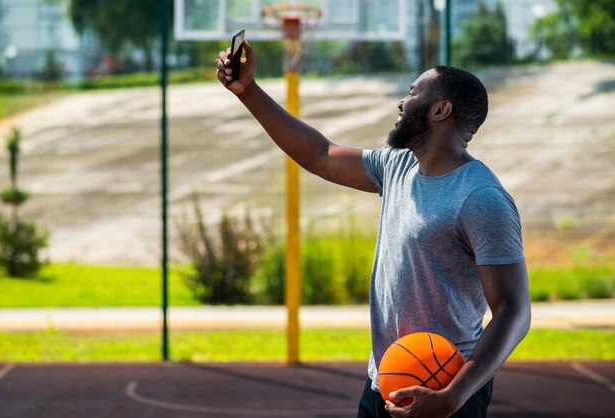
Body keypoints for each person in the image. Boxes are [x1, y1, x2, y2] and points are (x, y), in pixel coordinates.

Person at [215, 40, 531, 418]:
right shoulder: (397, 166)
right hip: (386, 377)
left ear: (440, 110)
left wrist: (455, 394)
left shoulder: (481, 198)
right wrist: (247, 91)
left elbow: (515, 310)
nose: (401, 102)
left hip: (446, 387)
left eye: (413, 92)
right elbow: (319, 154)